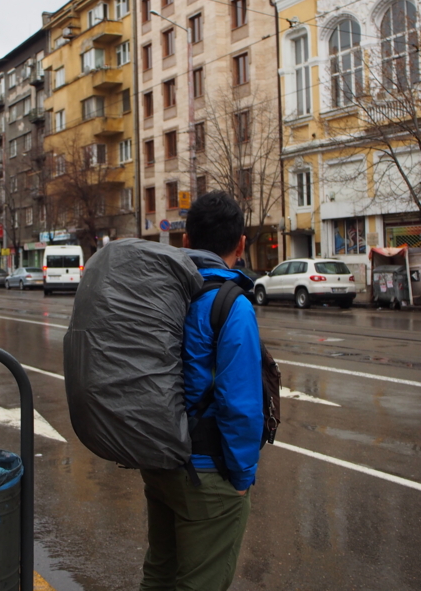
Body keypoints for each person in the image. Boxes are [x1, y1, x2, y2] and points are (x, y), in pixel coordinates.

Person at [140, 191, 263, 591]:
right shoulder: (232, 304)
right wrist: (242, 477)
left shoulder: (163, 293)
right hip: (207, 473)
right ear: (241, 245)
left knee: (159, 575)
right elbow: (240, 404)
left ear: (186, 241)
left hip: (159, 461)